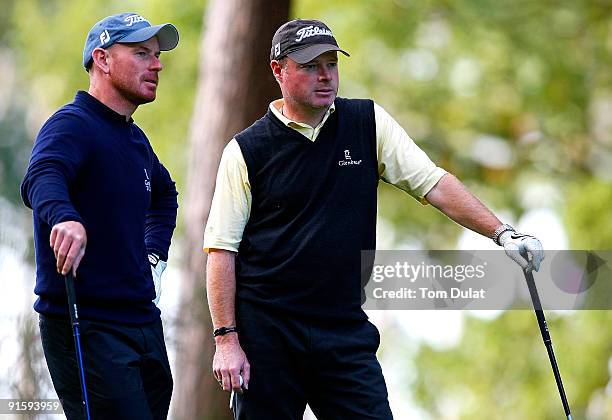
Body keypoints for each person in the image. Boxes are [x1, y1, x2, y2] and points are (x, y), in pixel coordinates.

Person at [204, 19, 544, 419]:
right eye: (312, 66)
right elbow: (221, 251)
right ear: (279, 71)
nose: (326, 75)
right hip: (268, 332)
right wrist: (226, 339)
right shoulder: (247, 150)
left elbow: (433, 183)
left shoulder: (366, 123)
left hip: (342, 327)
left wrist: (502, 233)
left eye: (331, 64)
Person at [20, 13, 180, 420]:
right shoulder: (72, 124)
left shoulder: (134, 138)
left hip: (143, 322)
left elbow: (165, 194)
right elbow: (42, 174)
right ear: (103, 60)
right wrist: (64, 218)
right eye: (142, 53)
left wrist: (153, 257)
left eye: (157, 56)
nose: (157, 64)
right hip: (87, 324)